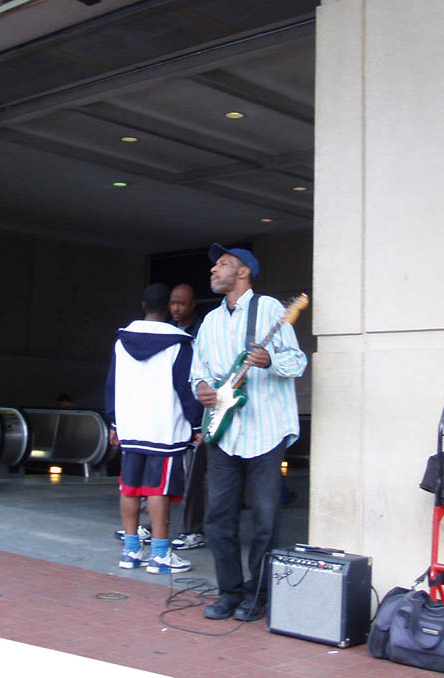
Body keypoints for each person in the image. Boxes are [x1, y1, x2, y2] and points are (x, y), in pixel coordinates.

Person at [190, 243, 308, 621]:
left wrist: (270, 359)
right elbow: (199, 371)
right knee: (218, 518)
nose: (213, 270)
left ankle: (258, 596)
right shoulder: (209, 321)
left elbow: (297, 362)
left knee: (264, 519)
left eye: (221, 265)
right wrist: (203, 389)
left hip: (265, 431)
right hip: (224, 431)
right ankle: (229, 592)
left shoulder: (270, 310)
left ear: (243, 272)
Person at [104, 283, 203, 574]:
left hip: (131, 427)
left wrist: (115, 422)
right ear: (167, 308)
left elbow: (112, 385)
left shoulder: (122, 341)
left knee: (130, 488)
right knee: (158, 490)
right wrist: (196, 424)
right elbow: (187, 390)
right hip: (165, 428)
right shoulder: (180, 343)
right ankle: (160, 554)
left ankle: (131, 551)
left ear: (143, 305)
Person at [168, 283, 206, 551]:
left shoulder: (204, 331)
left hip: (196, 414)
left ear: (193, 305)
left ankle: (192, 530)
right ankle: (149, 525)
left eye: (181, 304)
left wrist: (198, 420)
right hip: (169, 414)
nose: (176, 309)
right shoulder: (166, 332)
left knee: (193, 475)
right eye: (173, 303)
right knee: (162, 471)